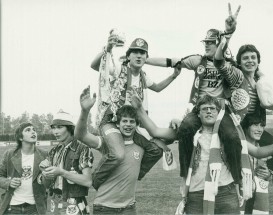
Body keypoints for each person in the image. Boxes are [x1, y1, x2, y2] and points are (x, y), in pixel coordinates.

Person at [130, 93, 273, 214]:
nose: (209, 111)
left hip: (227, 192)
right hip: (196, 193)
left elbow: (258, 152)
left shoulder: (231, 136)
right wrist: (139, 109)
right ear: (199, 113)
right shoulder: (188, 133)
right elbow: (156, 130)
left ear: (218, 113)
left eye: (212, 109)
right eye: (204, 109)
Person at [145, 4, 244, 178]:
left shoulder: (228, 64)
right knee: (185, 129)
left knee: (232, 137)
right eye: (205, 43)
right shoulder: (198, 60)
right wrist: (145, 60)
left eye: (210, 43)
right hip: (199, 108)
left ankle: (237, 177)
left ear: (219, 44)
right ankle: (187, 173)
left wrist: (228, 33)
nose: (206, 46)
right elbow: (171, 61)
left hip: (221, 109)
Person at [87, 34, 177, 189]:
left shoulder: (143, 76)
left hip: (130, 124)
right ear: (128, 56)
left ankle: (132, 175)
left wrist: (174, 75)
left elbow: (158, 88)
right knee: (117, 154)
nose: (139, 55)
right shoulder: (119, 68)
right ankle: (95, 181)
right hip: (112, 120)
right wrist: (107, 49)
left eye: (142, 53)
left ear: (146, 57)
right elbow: (96, 66)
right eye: (135, 52)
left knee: (156, 150)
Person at [74, 87, 163, 215]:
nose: (128, 124)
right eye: (124, 121)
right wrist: (84, 111)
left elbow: (164, 139)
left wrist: (174, 122)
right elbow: (81, 135)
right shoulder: (108, 143)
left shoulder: (142, 146)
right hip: (104, 207)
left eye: (132, 122)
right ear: (118, 124)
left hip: (129, 208)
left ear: (136, 124)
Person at [214, 42, 273, 171]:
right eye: (245, 58)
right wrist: (227, 36)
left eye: (253, 57)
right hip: (237, 129)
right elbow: (219, 63)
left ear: (258, 61)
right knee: (236, 169)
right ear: (239, 63)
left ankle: (259, 170)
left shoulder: (261, 83)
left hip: (256, 129)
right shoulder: (237, 78)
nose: (250, 60)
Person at [39, 110, 94, 215]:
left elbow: (87, 181)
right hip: (54, 202)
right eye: (53, 128)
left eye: (59, 127)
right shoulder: (54, 150)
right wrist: (44, 173)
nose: (55, 132)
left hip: (74, 203)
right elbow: (46, 185)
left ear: (70, 128)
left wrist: (62, 172)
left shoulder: (82, 148)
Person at [0, 122, 47, 215]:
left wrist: (46, 173)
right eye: (28, 130)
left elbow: (49, 182)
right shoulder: (9, 154)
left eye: (34, 130)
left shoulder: (44, 155)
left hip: (35, 208)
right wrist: (9, 182)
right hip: (12, 207)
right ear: (20, 138)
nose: (33, 132)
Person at [239, 114, 273, 214]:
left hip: (258, 198)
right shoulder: (237, 146)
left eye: (262, 126)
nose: (260, 129)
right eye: (255, 125)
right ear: (245, 127)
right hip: (239, 196)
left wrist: (269, 174)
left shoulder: (265, 150)